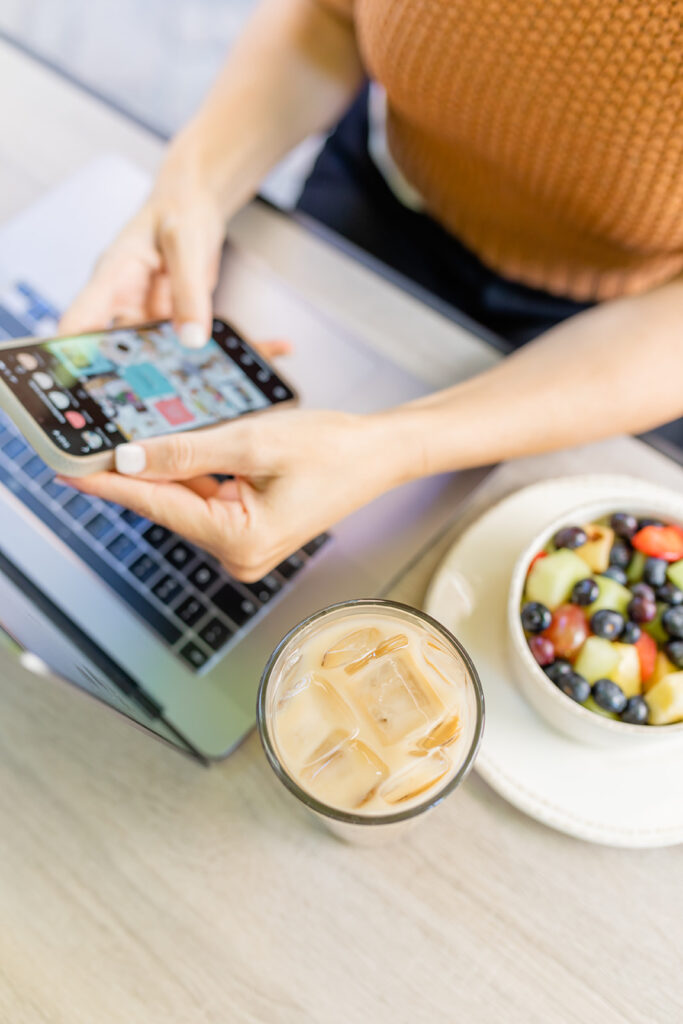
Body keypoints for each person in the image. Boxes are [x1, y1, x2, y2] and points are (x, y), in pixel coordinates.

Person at [60, 0, 683, 582]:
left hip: (626, 331)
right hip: (379, 193)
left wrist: (398, 445)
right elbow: (329, 17)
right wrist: (191, 192)